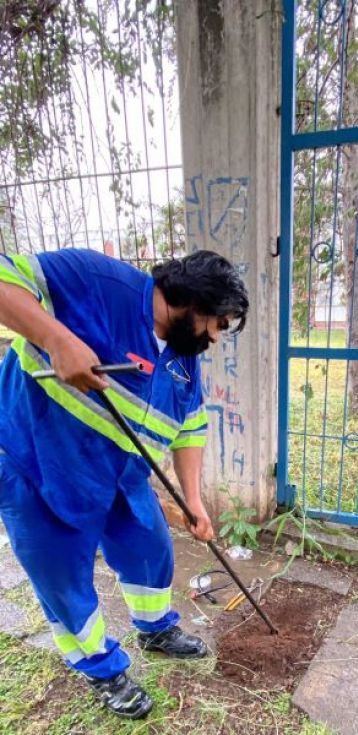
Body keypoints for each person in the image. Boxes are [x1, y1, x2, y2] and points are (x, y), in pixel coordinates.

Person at [0, 247, 249, 719]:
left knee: (150, 547)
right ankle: (101, 668)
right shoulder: (94, 278)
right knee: (62, 578)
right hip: (40, 463)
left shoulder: (182, 360)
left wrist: (194, 500)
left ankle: (155, 629)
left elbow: (190, 428)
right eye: (218, 325)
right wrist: (55, 338)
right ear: (194, 303)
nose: (216, 339)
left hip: (122, 475)